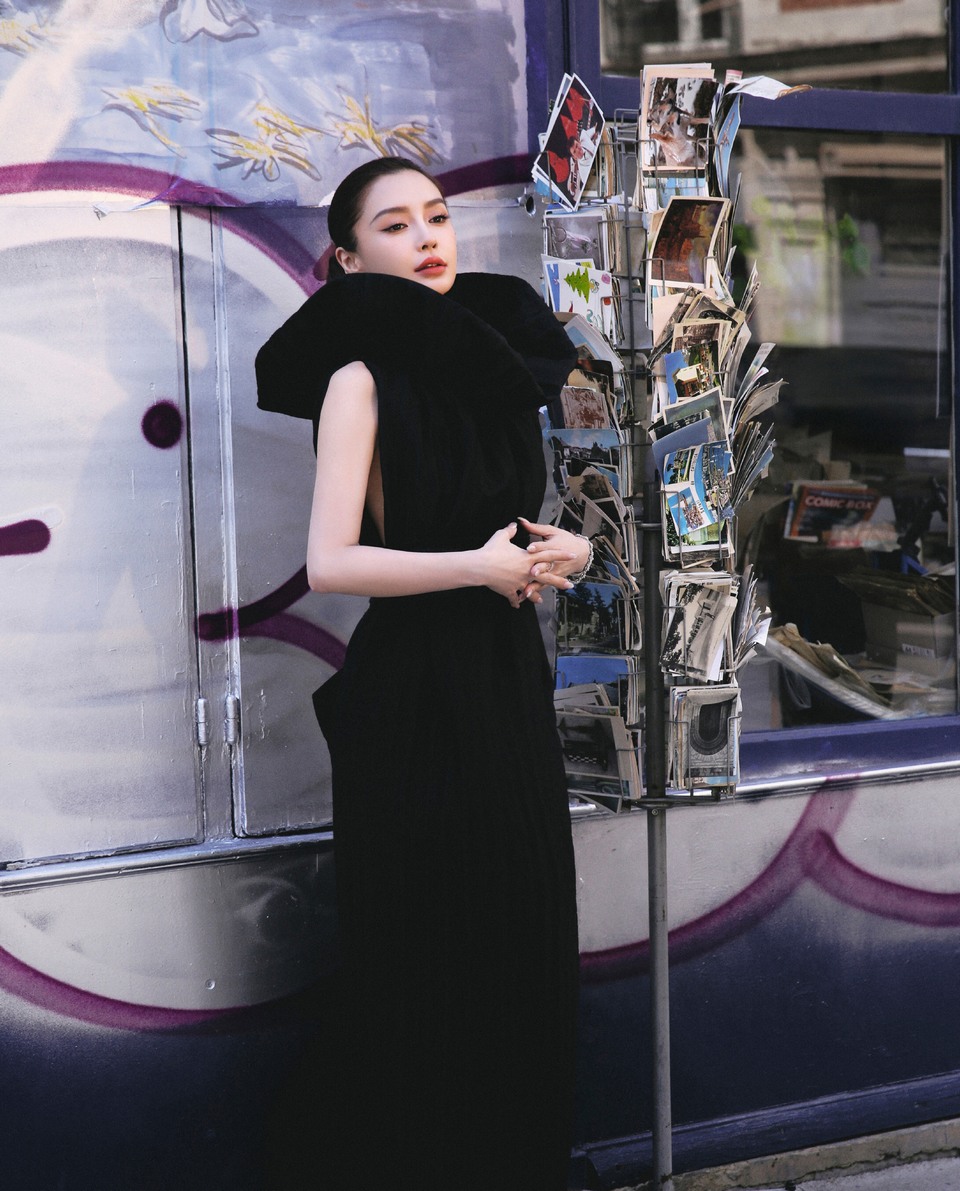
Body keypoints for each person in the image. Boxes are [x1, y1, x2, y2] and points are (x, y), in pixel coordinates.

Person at [255, 156, 587, 1191]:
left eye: (437, 216)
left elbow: (514, 531)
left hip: (504, 677)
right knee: (433, 949)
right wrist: (476, 568)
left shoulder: (494, 367)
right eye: (395, 225)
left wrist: (566, 550)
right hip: (415, 693)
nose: (429, 237)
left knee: (523, 932)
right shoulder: (356, 379)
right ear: (349, 260)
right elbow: (331, 563)